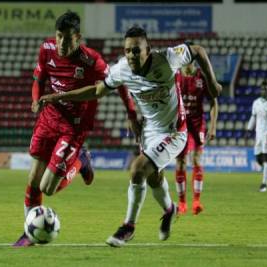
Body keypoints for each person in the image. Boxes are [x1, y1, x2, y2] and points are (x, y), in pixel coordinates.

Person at [40, 26, 221, 247]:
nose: (132, 55)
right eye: (127, 51)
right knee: (154, 177)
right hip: (150, 132)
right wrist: (60, 96)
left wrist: (211, 83)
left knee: (137, 169)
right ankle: (169, 209)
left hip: (174, 132)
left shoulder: (168, 58)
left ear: (148, 49)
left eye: (136, 50)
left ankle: (128, 226)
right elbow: (97, 91)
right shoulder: (121, 70)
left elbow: (199, 51)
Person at [13, 12, 136, 247]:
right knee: (33, 180)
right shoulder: (46, 49)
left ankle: (81, 160)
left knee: (48, 188)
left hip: (73, 127)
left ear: (78, 37)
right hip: (48, 119)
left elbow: (119, 82)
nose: (61, 43)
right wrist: (36, 99)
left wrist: (131, 113)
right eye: (59, 36)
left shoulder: (91, 60)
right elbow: (39, 79)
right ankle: (29, 233)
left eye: (67, 39)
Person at [175, 62, 218, 215]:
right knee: (180, 162)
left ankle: (196, 201)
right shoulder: (175, 76)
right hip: (180, 123)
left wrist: (212, 127)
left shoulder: (202, 76)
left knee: (197, 160)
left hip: (197, 123)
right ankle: (181, 203)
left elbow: (213, 101)